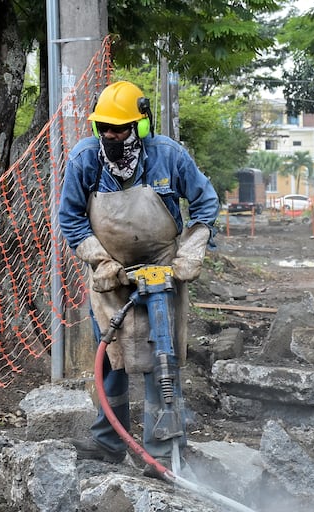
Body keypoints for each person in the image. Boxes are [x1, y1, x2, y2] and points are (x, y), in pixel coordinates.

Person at [58, 81, 219, 475]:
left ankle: (161, 451)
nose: (112, 136)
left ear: (140, 125)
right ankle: (108, 441)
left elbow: (206, 202)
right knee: (110, 358)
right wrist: (100, 261)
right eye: (105, 128)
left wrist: (191, 251)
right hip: (112, 272)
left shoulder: (168, 156)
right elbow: (70, 218)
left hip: (163, 269)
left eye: (121, 129)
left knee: (161, 357)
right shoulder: (84, 160)